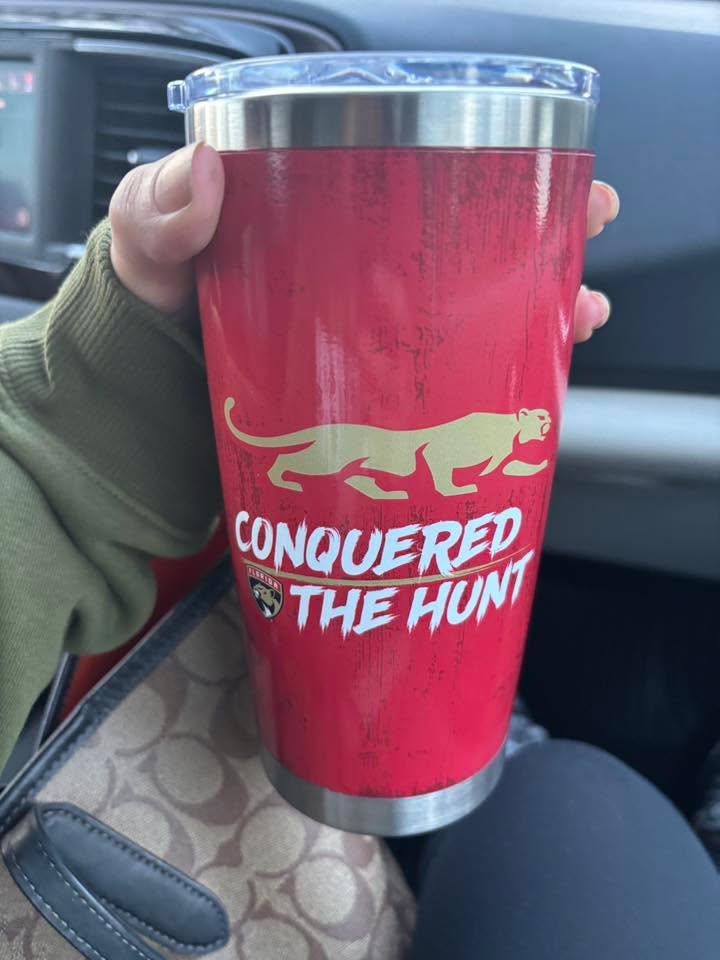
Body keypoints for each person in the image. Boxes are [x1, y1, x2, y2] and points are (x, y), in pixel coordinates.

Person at [1, 143, 718, 957]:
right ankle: (511, 751)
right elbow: (437, 461)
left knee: (564, 800)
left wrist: (93, 400)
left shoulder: (488, 431)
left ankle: (486, 737)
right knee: (575, 803)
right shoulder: (464, 435)